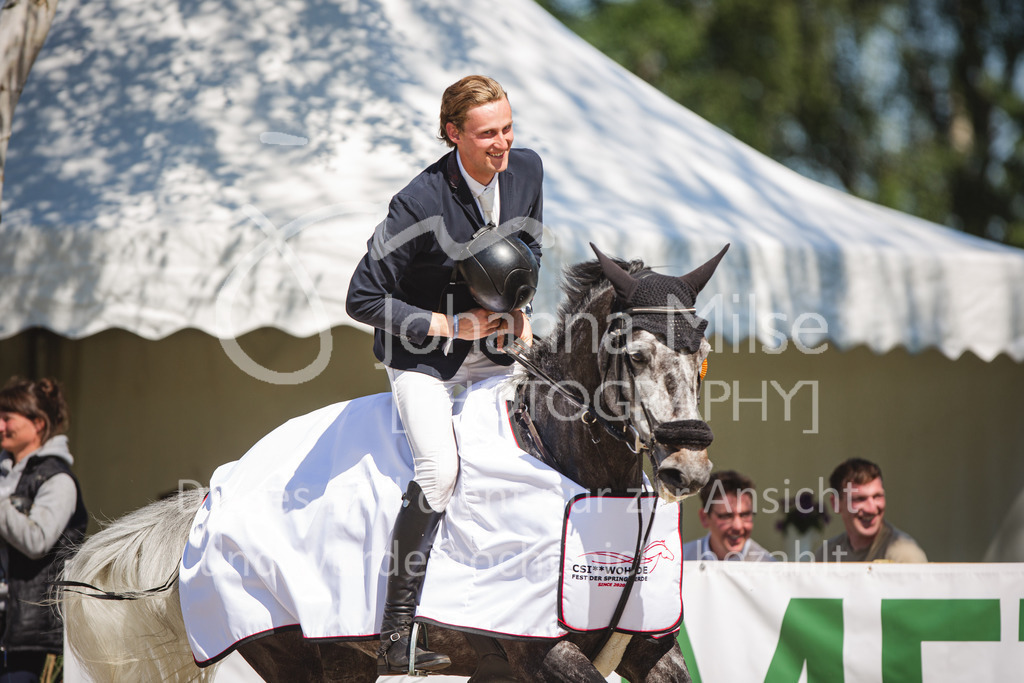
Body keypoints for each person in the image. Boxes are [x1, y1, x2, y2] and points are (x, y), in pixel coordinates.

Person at [345, 74, 543, 675]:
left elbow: (529, 252)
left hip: (496, 347)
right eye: (487, 134)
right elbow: (361, 298)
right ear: (453, 133)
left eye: (508, 128)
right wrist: (450, 326)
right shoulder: (418, 202)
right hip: (424, 357)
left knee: (542, 440)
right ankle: (396, 633)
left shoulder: (528, 170)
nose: (502, 144)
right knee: (440, 469)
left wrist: (518, 311)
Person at [0, 378, 88, 682]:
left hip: (24, 633)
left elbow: (37, 540)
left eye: (7, 418)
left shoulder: (57, 480)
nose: (0, 426)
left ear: (38, 423)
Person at [815, 458, 927, 563]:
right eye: (860, 499)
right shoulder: (826, 555)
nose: (871, 509)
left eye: (877, 496)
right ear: (836, 503)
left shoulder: (904, 556)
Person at [683, 470, 776, 562]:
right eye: (726, 516)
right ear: (704, 518)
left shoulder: (767, 566)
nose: (738, 526)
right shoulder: (682, 561)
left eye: (745, 515)